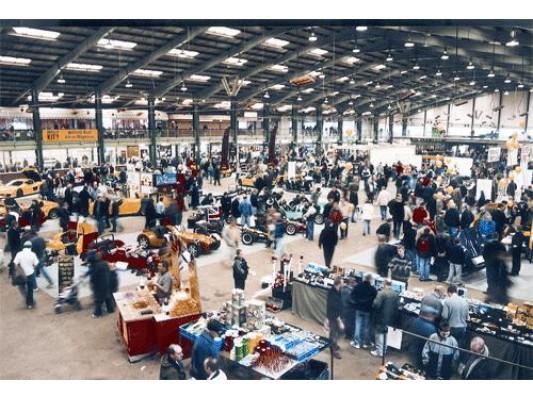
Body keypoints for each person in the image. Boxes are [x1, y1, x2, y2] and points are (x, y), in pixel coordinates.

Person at [371, 279, 399, 357]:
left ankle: (379, 351)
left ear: (384, 283)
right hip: (391, 317)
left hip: (381, 316)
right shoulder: (395, 294)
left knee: (379, 334)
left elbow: (376, 305)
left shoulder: (381, 293)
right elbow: (397, 306)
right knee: (386, 334)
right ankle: (384, 349)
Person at [350, 273, 377, 349]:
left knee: (358, 325)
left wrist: (357, 302)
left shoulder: (358, 286)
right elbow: (376, 300)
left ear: (364, 278)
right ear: (370, 279)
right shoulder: (373, 289)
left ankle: (357, 343)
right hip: (368, 310)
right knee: (367, 327)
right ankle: (366, 343)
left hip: (359, 309)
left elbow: (352, 296)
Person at [86, 250, 115, 318]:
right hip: (106, 283)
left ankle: (97, 313)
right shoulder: (104, 263)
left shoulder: (94, 267)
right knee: (107, 297)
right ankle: (110, 310)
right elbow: (108, 270)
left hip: (99, 285)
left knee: (98, 300)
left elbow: (93, 276)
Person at [441, 284, 469, 350]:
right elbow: (467, 316)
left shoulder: (448, 301)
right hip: (462, 329)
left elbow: (444, 316)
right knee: (457, 347)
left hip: (452, 328)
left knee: (448, 347)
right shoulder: (465, 302)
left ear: (449, 292)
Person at [13, 241, 38, 309]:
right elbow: (36, 264)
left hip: (21, 275)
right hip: (30, 273)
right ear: (30, 247)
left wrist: (19, 271)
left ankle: (28, 302)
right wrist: (32, 268)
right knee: (30, 289)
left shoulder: (19, 254)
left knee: (22, 289)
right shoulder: (33, 254)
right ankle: (30, 303)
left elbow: (15, 265)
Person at [326, 276, 344, 360]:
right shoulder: (332, 293)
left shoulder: (338, 291)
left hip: (337, 315)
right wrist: (339, 320)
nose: (343, 283)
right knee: (333, 333)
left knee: (336, 332)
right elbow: (333, 307)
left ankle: (333, 345)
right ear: (339, 283)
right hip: (333, 317)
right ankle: (333, 350)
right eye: (342, 282)